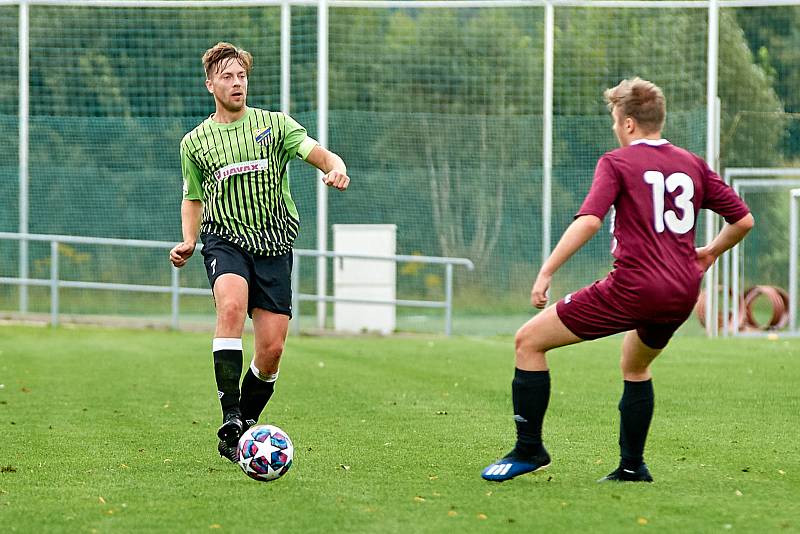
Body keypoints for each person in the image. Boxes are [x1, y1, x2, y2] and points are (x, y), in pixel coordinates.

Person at [481, 78, 753, 483]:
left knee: (528, 342)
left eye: (614, 120)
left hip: (634, 288)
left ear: (627, 124)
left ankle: (529, 449)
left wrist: (547, 270)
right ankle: (631, 467)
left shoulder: (617, 162)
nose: (614, 129)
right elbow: (744, 220)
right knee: (635, 364)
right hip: (681, 291)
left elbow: (590, 220)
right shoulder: (692, 163)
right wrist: (711, 253)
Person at [169, 42, 350, 463]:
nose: (237, 83)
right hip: (224, 240)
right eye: (228, 76)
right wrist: (190, 241)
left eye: (242, 76)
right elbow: (193, 197)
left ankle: (240, 431)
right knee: (230, 307)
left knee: (271, 351)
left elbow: (322, 155)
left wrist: (336, 169)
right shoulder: (195, 142)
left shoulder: (274, 125)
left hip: (274, 245)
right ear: (210, 84)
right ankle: (230, 413)